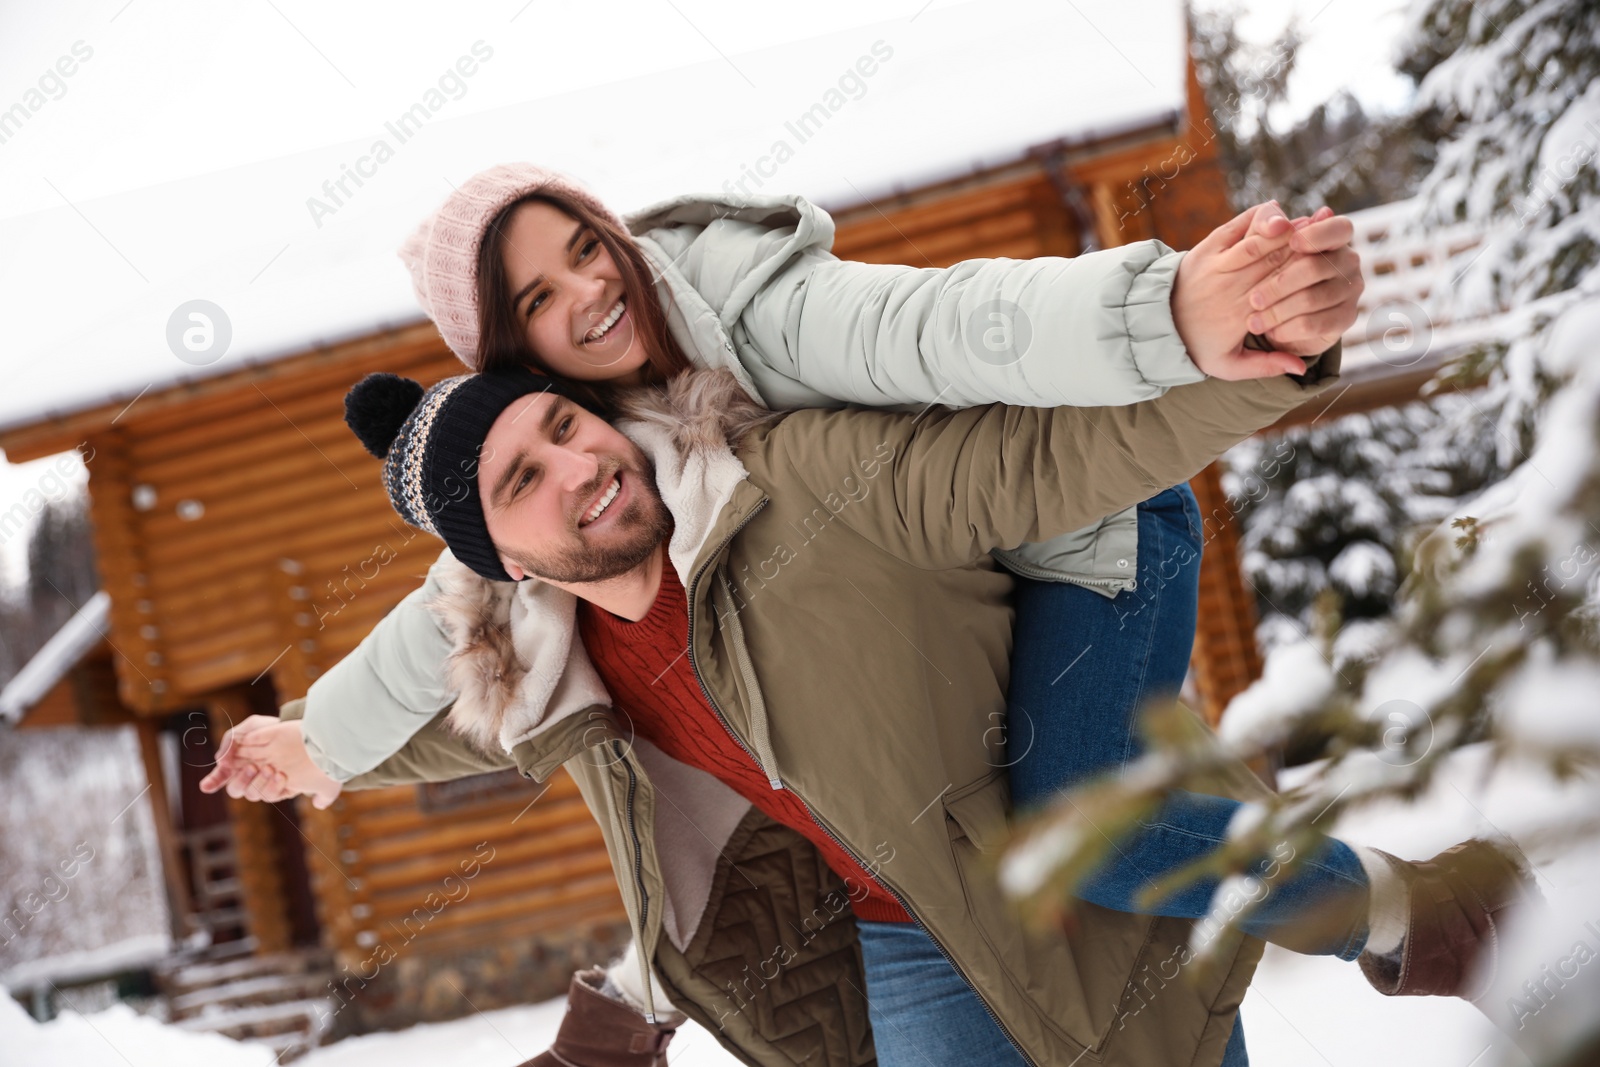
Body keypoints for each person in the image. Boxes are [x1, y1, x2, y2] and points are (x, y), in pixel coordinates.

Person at [199, 166, 1535, 1065]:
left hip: (1087, 533)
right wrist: (317, 745)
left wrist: (1210, 336)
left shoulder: (780, 400)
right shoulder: (543, 668)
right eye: (525, 477)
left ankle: (1413, 907)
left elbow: (981, 354)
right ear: (502, 562)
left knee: (1073, 823)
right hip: (905, 944)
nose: (579, 463)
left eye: (565, 429)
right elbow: (435, 708)